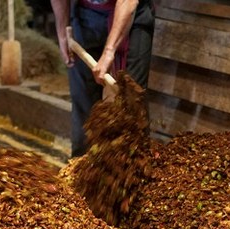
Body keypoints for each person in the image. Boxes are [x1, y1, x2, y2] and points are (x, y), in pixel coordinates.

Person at [50, 0, 154, 157]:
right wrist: (62, 33)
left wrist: (109, 51)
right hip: (86, 14)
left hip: (129, 15)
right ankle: (81, 170)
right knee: (83, 102)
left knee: (132, 104)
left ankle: (131, 171)